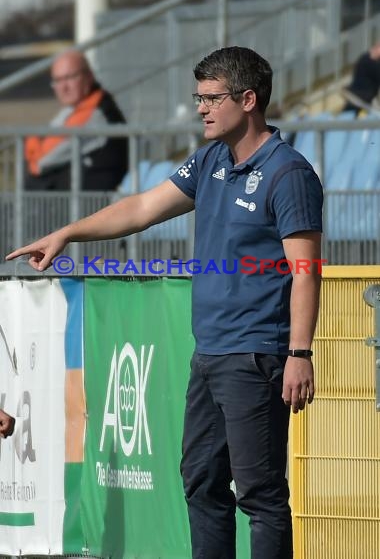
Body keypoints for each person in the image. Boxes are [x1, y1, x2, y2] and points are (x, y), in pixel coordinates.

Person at [7, 46, 323, 559]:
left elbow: (307, 272)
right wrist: (67, 233)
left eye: (211, 97)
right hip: (210, 353)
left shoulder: (289, 174)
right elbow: (141, 209)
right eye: (198, 97)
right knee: (201, 482)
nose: (200, 108)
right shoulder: (211, 159)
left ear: (247, 99)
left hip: (257, 355)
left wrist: (299, 353)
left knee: (261, 496)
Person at [24, 50, 128, 191]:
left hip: (91, 205)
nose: (63, 87)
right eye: (57, 80)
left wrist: (32, 143)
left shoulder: (95, 110)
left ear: (89, 76)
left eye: (70, 77)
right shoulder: (75, 107)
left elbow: (41, 161)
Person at [342, 42, 380, 114]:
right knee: (349, 114)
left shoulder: (367, 59)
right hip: (359, 96)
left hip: (363, 96)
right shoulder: (367, 61)